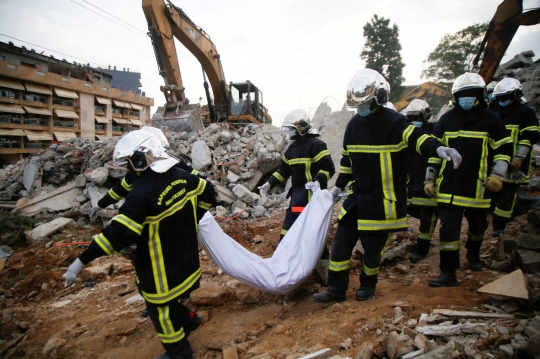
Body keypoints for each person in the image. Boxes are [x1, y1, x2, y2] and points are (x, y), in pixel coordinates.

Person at [311, 69, 462, 303]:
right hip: (357, 200)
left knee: (372, 253)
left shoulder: (394, 122)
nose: (360, 109)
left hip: (383, 202)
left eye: (366, 103)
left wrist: (439, 148)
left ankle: (368, 285)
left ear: (378, 98)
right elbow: (348, 161)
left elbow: (417, 138)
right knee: (340, 246)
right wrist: (338, 188)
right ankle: (336, 291)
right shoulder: (353, 125)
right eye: (357, 105)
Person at [63, 129, 217, 359]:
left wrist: (80, 261)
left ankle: (179, 352)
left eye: (128, 161)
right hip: (185, 256)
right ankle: (189, 320)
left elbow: (117, 233)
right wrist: (190, 219)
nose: (127, 166)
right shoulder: (181, 175)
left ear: (139, 159)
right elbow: (209, 193)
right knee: (169, 298)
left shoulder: (142, 194)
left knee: (160, 308)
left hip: (160, 267)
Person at [425, 72, 513, 287]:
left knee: (478, 227)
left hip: (478, 187)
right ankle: (448, 272)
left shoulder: (491, 120)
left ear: (480, 96)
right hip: (449, 187)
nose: (467, 98)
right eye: (463, 95)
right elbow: (435, 151)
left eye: (472, 94)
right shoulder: (446, 120)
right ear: (456, 97)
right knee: (448, 230)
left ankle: (473, 255)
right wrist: (430, 178)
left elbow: (503, 150)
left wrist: (498, 175)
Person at [258, 110, 335, 256]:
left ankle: (322, 262)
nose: (288, 133)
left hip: (313, 198)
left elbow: (329, 168)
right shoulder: (291, 150)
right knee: (288, 231)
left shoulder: (316, 145)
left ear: (301, 128)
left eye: (291, 129)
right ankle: (282, 260)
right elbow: (283, 171)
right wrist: (269, 183)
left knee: (314, 232)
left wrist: (319, 181)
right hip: (298, 197)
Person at [89, 126, 201, 216]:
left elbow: (198, 180)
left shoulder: (174, 163)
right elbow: (119, 190)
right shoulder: (137, 170)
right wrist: (100, 205)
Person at [491, 78, 540, 237]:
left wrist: (518, 159)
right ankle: (496, 218)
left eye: (505, 97)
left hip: (515, 164)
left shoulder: (525, 113)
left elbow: (529, 137)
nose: (502, 101)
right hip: (496, 162)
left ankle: (500, 226)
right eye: (499, 98)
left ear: (515, 95)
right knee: (494, 192)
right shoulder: (494, 111)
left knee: (508, 195)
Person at [405, 99, 438, 263]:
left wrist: (431, 179)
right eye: (410, 118)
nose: (413, 122)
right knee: (408, 208)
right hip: (412, 180)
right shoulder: (407, 135)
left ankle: (422, 247)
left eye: (416, 117)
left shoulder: (434, 131)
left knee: (428, 214)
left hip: (428, 178)